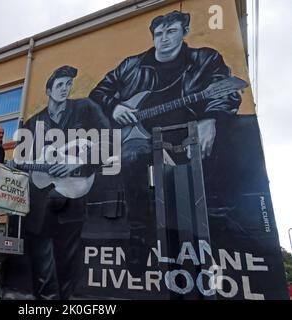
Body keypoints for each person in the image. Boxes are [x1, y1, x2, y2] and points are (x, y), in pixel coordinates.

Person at [89, 10, 242, 248]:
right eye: (159, 33)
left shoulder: (205, 59)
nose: (164, 38)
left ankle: (217, 226)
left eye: (171, 31)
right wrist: (115, 106)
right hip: (138, 135)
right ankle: (139, 232)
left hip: (186, 131)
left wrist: (210, 118)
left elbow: (225, 91)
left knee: (228, 138)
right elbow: (98, 94)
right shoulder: (132, 65)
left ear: (184, 32)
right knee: (129, 158)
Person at [20, 65, 111, 299]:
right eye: (60, 84)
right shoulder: (32, 124)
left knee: (67, 262)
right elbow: (22, 162)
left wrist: (76, 164)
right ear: (48, 90)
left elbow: (110, 142)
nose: (65, 88)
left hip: (73, 196)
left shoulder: (86, 108)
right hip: (39, 203)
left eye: (68, 84)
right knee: (42, 264)